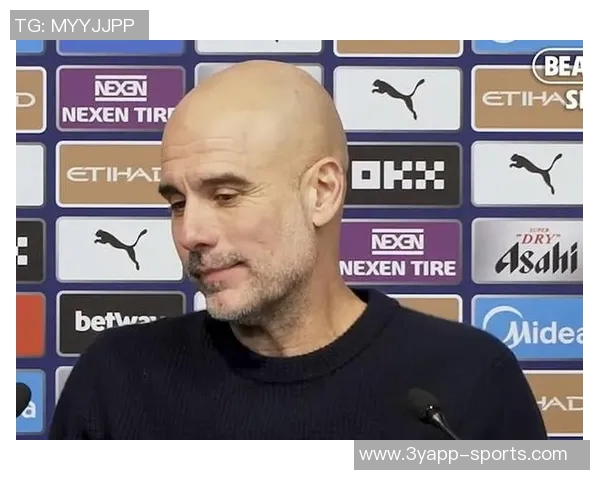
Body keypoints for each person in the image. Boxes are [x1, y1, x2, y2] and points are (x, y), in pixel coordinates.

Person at [49, 60, 547, 440]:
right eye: (177, 203)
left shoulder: (468, 381)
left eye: (226, 195)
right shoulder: (113, 382)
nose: (190, 233)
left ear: (322, 193)